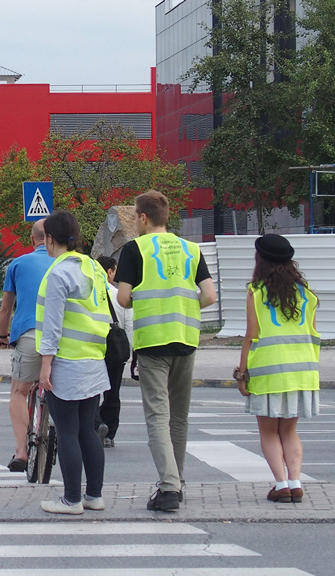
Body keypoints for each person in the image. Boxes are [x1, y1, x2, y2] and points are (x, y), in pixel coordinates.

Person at [116, 190, 216, 512]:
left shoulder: (135, 249)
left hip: (153, 341)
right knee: (179, 416)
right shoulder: (190, 249)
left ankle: (168, 487)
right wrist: (183, 305)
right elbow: (210, 296)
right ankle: (178, 480)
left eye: (135, 215)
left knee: (157, 415)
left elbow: (123, 298)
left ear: (143, 218)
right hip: (186, 339)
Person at [233, 234, 320, 503]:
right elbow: (314, 332)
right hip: (302, 370)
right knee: (290, 431)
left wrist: (242, 373)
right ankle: (296, 482)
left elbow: (251, 335)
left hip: (268, 371)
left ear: (261, 259)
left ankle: (280, 484)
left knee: (269, 431)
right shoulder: (307, 294)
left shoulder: (257, 293)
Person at [34, 211, 110, 515]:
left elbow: (52, 325)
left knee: (66, 430)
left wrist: (45, 366)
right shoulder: (92, 267)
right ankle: (94, 495)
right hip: (93, 358)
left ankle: (71, 499)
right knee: (88, 430)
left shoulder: (58, 273)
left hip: (66, 361)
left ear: (50, 239)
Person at [0, 218, 54, 472]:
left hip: (29, 335)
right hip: (63, 338)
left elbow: (6, 308)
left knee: (19, 391)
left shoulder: (18, 264)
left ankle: (21, 453)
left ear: (32, 240)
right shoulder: (68, 263)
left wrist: (2, 336)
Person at [93, 255, 133, 448]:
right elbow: (129, 324)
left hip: (93, 345)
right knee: (112, 392)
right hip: (115, 348)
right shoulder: (118, 294)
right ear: (109, 271)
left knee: (91, 391)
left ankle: (96, 423)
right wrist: (132, 352)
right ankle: (109, 432)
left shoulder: (89, 291)